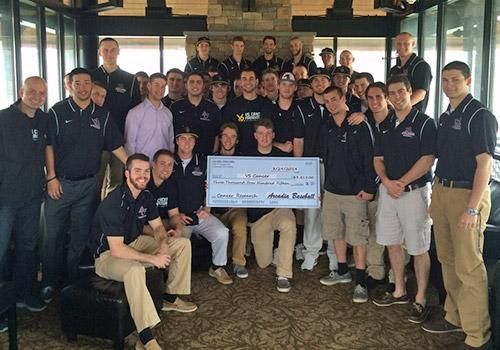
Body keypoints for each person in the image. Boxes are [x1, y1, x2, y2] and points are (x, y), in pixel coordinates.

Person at [421, 61, 498, 350]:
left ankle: (478, 337)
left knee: (469, 268)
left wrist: (472, 208)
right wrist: (434, 197)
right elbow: (442, 159)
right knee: (448, 261)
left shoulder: (480, 115)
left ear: (468, 79)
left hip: (467, 196)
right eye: (444, 80)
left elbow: (484, 166)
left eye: (455, 80)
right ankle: (455, 318)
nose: (449, 85)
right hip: (443, 192)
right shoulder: (445, 115)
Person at [91, 153, 195, 350]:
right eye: (138, 171)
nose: (143, 175)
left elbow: (157, 228)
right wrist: (153, 258)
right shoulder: (114, 202)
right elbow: (117, 249)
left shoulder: (146, 196)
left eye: (146, 171)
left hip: (135, 242)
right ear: (127, 174)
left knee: (181, 244)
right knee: (135, 270)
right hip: (107, 255)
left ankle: (170, 297)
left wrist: (163, 244)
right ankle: (145, 337)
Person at [42, 68, 128, 302]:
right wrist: (51, 177)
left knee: (80, 238)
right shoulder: (57, 112)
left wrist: (133, 165)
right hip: (59, 185)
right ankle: (50, 282)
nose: (82, 87)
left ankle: (71, 284)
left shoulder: (102, 115)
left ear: (92, 85)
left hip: (89, 186)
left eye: (86, 83)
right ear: (69, 85)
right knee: (53, 237)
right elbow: (48, 146)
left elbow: (115, 144)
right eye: (77, 83)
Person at [372, 75, 436, 324]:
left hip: (415, 193)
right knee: (391, 242)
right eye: (392, 93)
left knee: (419, 247)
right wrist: (388, 182)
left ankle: (420, 297)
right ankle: (399, 289)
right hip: (388, 192)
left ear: (411, 93)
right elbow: (378, 159)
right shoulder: (385, 124)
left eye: (401, 92)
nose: (397, 97)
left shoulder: (424, 123)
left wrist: (402, 182)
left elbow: (428, 158)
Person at [318, 86, 377, 304]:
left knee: (358, 237)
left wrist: (369, 188)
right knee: (336, 232)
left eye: (334, 99)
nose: (331, 104)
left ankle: (360, 281)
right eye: (327, 101)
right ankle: (342, 271)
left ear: (344, 99)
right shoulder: (327, 128)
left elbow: (371, 158)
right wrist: (322, 188)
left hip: (356, 192)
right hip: (332, 191)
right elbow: (324, 160)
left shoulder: (359, 125)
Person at [0, 77, 49, 322]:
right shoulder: (3, 119)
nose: (37, 97)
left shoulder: (43, 119)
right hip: (5, 199)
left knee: (27, 249)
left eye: (42, 93)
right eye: (32, 92)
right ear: (21, 92)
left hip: (32, 197)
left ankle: (22, 294)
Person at [173, 126, 233, 285]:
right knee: (180, 243)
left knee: (222, 232)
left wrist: (207, 209)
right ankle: (176, 278)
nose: (187, 142)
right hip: (177, 216)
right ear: (177, 141)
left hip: (199, 212)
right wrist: (173, 214)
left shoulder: (204, 162)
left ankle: (217, 267)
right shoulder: (169, 162)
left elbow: (212, 187)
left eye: (190, 138)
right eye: (183, 138)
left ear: (195, 142)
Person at [294, 68, 337, 271]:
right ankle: (311, 252)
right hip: (310, 165)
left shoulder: (337, 106)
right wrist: (299, 168)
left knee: (334, 210)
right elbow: (299, 140)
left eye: (323, 79)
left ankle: (334, 255)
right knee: (312, 211)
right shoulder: (302, 107)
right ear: (311, 85)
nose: (320, 83)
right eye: (316, 80)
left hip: (334, 165)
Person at [247, 118, 296, 292]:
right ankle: (277, 252)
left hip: (279, 208)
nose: (264, 137)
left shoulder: (284, 156)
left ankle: (283, 274)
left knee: (289, 224)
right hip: (258, 216)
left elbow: (295, 182)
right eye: (260, 133)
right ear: (255, 136)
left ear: (273, 135)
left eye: (268, 134)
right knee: (263, 263)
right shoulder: (247, 157)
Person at [92, 37, 141, 197]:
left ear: (118, 52)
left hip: (119, 141)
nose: (109, 53)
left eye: (113, 49)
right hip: (94, 140)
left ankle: (110, 219)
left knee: (116, 183)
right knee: (94, 183)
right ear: (99, 52)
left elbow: (135, 112)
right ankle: (92, 219)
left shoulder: (130, 79)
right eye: (105, 50)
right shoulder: (90, 77)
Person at [211, 123, 249, 278]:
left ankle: (239, 263)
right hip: (214, 209)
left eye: (232, 136)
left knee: (240, 226)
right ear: (220, 139)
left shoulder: (244, 161)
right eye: (225, 136)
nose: (228, 140)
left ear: (237, 140)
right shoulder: (211, 160)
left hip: (236, 207)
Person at [223, 68, 277, 155]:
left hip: (262, 155)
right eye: (244, 79)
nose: (248, 82)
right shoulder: (231, 106)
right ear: (240, 82)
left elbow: (272, 131)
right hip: (239, 154)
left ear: (256, 81)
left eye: (251, 79)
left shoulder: (267, 104)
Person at [124, 73, 175, 161]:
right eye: (156, 85)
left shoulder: (168, 113)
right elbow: (130, 144)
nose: (160, 89)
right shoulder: (135, 113)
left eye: (163, 86)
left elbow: (171, 142)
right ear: (149, 86)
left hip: (162, 167)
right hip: (143, 167)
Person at [170, 72, 221, 156]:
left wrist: (212, 156)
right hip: (181, 158)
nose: (195, 85)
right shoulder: (175, 107)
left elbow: (216, 136)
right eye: (192, 82)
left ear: (203, 86)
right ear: (186, 85)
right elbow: (170, 134)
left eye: (198, 82)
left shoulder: (212, 108)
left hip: (205, 157)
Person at [389, 32, 432, 113]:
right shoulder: (394, 70)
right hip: (397, 115)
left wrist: (401, 108)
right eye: (399, 44)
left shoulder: (421, 66)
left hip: (414, 116)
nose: (402, 46)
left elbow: (421, 94)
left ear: (413, 44)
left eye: (406, 43)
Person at [273, 72, 297, 155]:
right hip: (273, 157)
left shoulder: (301, 109)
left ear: (295, 87)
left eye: (291, 85)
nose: (287, 88)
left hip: (297, 158)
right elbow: (261, 135)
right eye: (284, 84)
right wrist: (280, 145)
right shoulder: (269, 108)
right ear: (278, 86)